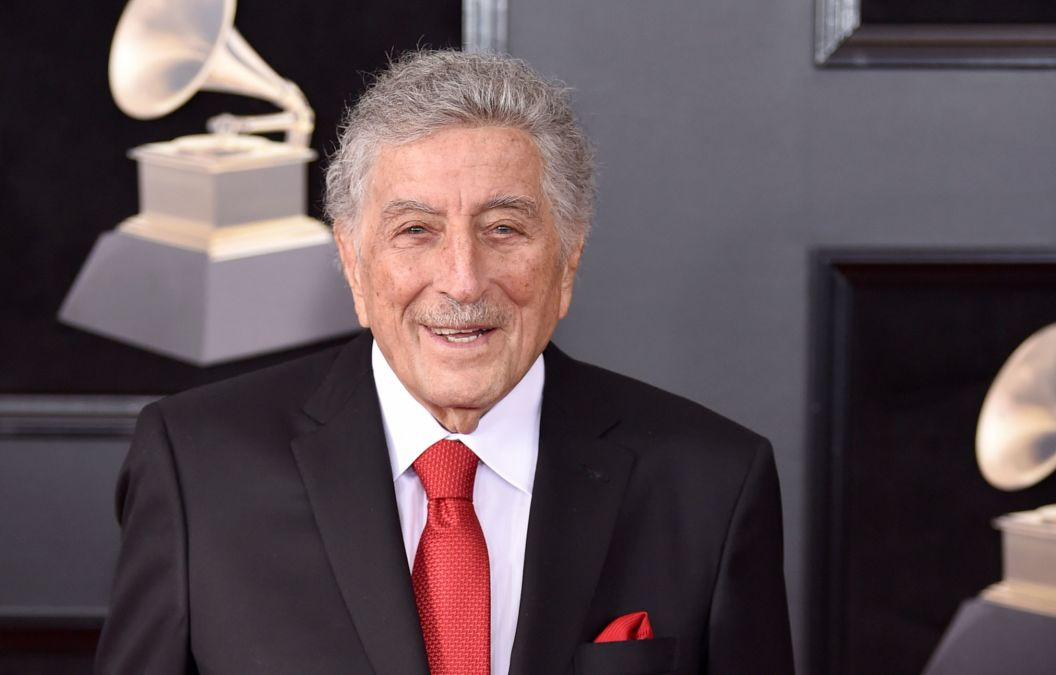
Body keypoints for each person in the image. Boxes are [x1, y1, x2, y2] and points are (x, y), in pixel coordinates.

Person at [95, 50, 794, 675]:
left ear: (568, 260)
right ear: (353, 263)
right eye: (416, 230)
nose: (462, 280)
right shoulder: (196, 467)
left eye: (504, 229)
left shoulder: (713, 482)